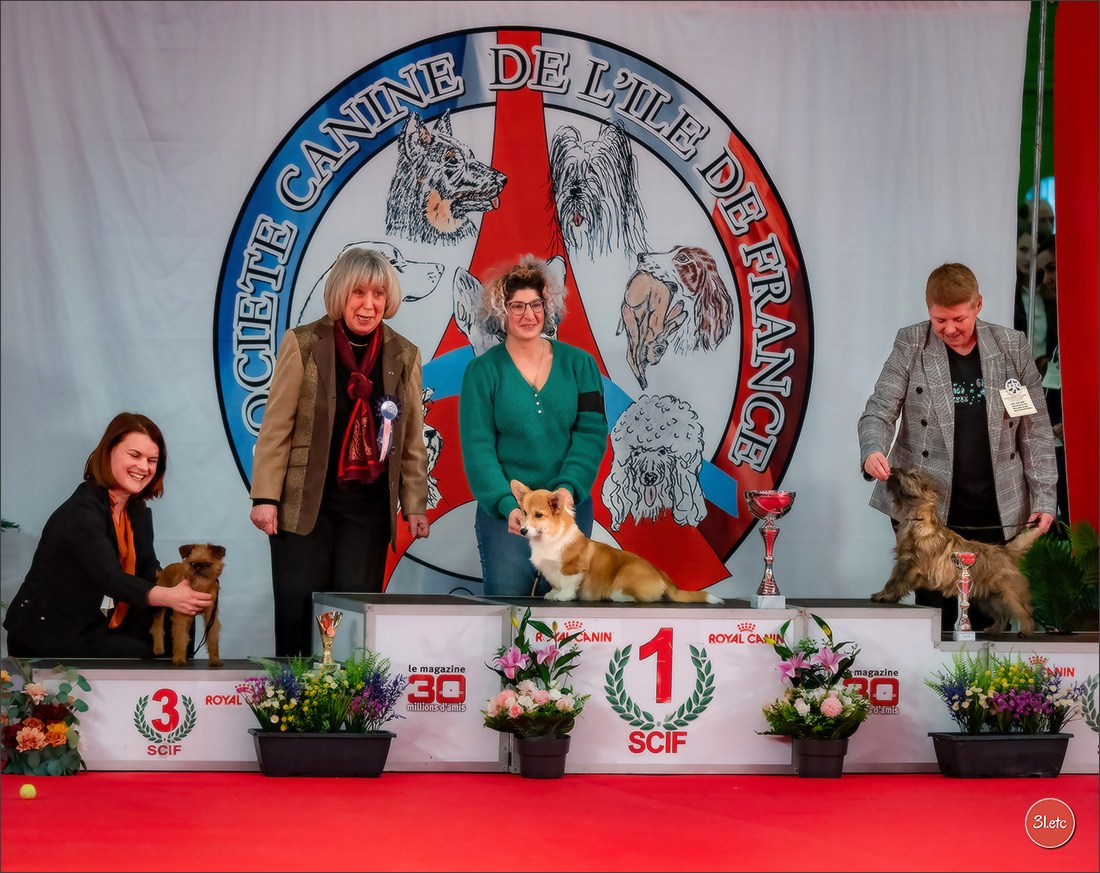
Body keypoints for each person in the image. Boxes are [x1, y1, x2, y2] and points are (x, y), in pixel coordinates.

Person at [858, 262, 1058, 633]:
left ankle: (983, 673)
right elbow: (880, 409)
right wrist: (873, 450)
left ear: (978, 305)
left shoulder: (1010, 345)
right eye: (940, 320)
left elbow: (1035, 430)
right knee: (932, 613)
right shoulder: (912, 342)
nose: (949, 329)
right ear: (928, 311)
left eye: (959, 319)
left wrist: (1045, 497)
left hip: (995, 504)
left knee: (988, 610)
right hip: (927, 507)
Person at [249, 247, 430, 658]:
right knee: (297, 618)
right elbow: (276, 427)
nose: (369, 304)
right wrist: (265, 497)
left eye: (378, 294)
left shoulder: (404, 354)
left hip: (368, 512)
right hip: (303, 508)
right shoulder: (303, 343)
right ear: (339, 295)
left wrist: (414, 505)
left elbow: (411, 439)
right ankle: (291, 698)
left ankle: (348, 699)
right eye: (358, 293)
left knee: (350, 627)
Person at [3, 412, 213, 658]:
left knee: (173, 634)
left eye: (152, 460)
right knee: (149, 651)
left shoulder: (136, 510)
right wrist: (169, 596)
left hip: (92, 624)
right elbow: (109, 577)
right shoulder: (82, 511)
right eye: (134, 455)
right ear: (109, 452)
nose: (144, 467)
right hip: (50, 631)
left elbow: (148, 572)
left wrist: (185, 586)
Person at [459, 256, 608, 597]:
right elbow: (478, 448)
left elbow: (591, 433)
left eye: (536, 304)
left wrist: (568, 488)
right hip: (509, 515)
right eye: (517, 306)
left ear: (547, 307)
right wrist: (506, 505)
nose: (528, 315)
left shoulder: (581, 365)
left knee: (564, 614)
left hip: (567, 509)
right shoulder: (482, 372)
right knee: (507, 609)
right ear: (501, 312)